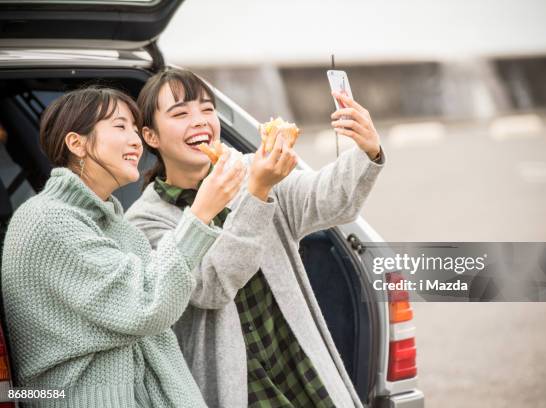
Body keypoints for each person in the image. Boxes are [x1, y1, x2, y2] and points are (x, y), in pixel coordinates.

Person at [126, 68, 385, 408]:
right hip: (235, 388)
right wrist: (258, 191)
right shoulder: (144, 222)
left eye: (206, 109)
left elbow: (330, 200)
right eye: (181, 113)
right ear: (151, 136)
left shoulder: (251, 168)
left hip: (299, 366)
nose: (200, 120)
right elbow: (211, 286)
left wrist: (367, 150)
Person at [1, 86, 245, 407]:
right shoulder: (48, 219)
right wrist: (200, 213)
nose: (135, 140)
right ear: (77, 143)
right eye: (120, 127)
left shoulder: (115, 222)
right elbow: (149, 306)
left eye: (134, 128)